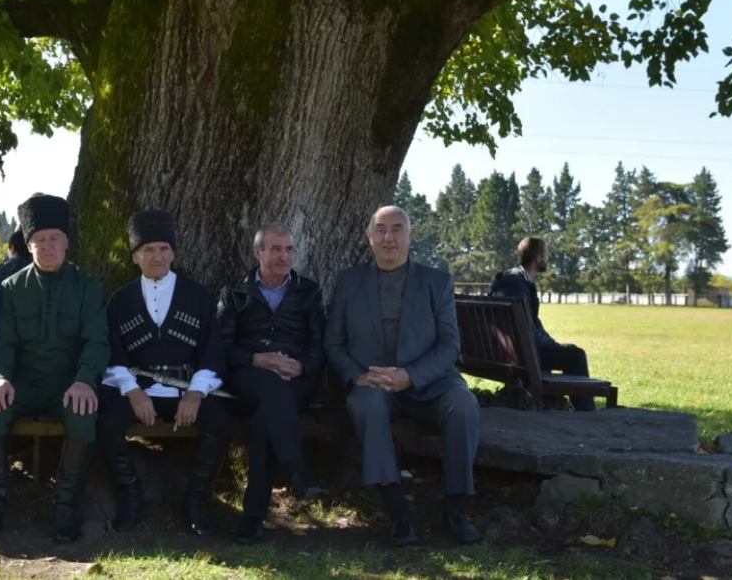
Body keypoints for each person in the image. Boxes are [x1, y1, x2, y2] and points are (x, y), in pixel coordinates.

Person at [325, 206, 481, 546]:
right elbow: (333, 342)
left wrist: (411, 375)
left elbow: (450, 344)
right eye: (380, 230)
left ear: (410, 236)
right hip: (374, 383)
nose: (389, 237)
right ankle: (397, 513)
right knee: (367, 407)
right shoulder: (348, 282)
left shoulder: (437, 283)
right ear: (369, 237)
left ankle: (455, 508)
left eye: (397, 229)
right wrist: (355, 376)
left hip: (431, 384)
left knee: (464, 405)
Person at [0, 193, 109, 543]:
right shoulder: (11, 289)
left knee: (83, 415)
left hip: (68, 383)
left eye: (54, 239)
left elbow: (97, 341)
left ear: (66, 243)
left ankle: (65, 508)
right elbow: (2, 342)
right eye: (39, 240)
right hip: (23, 384)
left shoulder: (88, 287)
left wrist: (84, 381)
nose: (47, 246)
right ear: (28, 245)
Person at [98, 210, 232, 537]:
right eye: (147, 250)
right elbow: (112, 351)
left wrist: (196, 392)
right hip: (139, 390)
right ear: (135, 256)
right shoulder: (120, 300)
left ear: (172, 253)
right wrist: (132, 391)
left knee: (222, 422)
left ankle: (196, 501)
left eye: (162, 249)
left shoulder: (198, 296)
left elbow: (213, 350)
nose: (156, 257)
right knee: (105, 421)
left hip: (187, 390)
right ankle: (131, 495)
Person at [217, 222, 326, 545]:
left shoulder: (309, 291)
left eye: (289, 249)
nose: (284, 256)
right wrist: (257, 359)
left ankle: (252, 518)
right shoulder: (235, 293)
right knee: (268, 387)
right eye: (276, 249)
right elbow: (222, 347)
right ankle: (295, 468)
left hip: (295, 380)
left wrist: (301, 364)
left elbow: (321, 346)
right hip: (249, 377)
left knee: (268, 415)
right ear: (258, 253)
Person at [489, 236, 595, 411]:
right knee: (576, 356)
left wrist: (553, 344)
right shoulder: (518, 285)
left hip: (505, 352)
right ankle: (587, 413)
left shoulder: (508, 280)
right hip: (521, 356)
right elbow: (528, 329)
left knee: (568, 350)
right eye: (545, 255)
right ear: (537, 258)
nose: (547, 259)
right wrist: (554, 346)